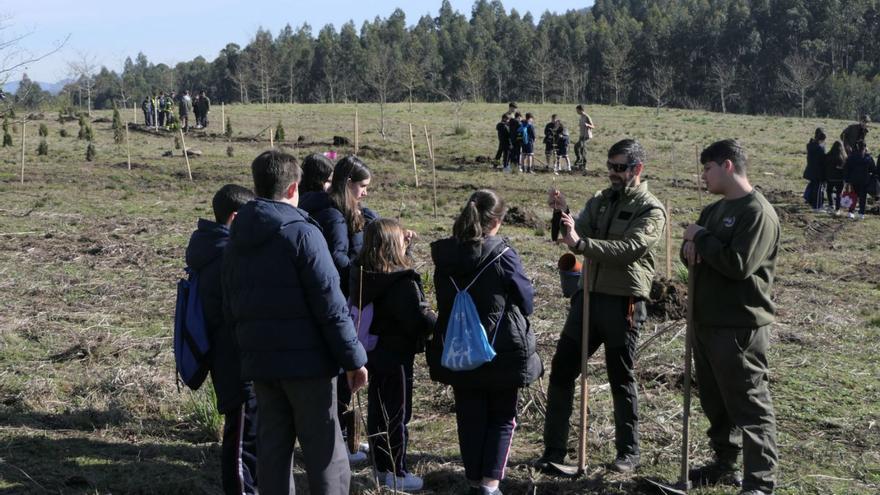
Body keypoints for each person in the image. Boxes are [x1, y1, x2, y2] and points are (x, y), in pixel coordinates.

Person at [222, 150, 368, 495]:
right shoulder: (303, 233)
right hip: (309, 368)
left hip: (261, 365)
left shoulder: (236, 235)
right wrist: (354, 359)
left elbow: (229, 303)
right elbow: (330, 304)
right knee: (326, 455)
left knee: (273, 452)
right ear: (292, 188)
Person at [537, 138, 667, 474]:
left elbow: (629, 248)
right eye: (609, 166)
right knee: (562, 369)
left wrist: (582, 244)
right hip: (587, 297)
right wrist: (563, 212)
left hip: (622, 301)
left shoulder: (651, 210)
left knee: (619, 376)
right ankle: (553, 450)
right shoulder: (601, 199)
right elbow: (577, 231)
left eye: (620, 168)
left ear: (637, 169)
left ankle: (628, 453)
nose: (612, 173)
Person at [681, 139, 780, 495]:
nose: (703, 176)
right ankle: (724, 463)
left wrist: (703, 240)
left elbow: (739, 265)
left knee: (749, 403)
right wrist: (691, 246)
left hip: (739, 325)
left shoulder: (757, 213)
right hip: (706, 321)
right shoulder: (713, 211)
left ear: (726, 166)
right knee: (715, 400)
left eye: (707, 168)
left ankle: (760, 481)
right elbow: (691, 249)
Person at [428, 189, 542, 495]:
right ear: (497, 221)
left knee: (469, 416)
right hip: (500, 349)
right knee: (503, 416)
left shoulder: (445, 255)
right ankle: (491, 485)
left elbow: (442, 298)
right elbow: (526, 300)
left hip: (457, 348)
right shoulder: (504, 255)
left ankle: (474, 480)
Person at [299, 155, 379, 463]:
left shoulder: (345, 211)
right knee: (344, 371)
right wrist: (365, 275)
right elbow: (337, 260)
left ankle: (348, 441)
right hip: (344, 301)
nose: (365, 192)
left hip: (346, 299)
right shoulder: (333, 217)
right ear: (347, 184)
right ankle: (344, 443)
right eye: (362, 186)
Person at [350, 218, 436, 491]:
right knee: (397, 413)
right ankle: (395, 470)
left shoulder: (362, 274)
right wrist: (436, 321)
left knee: (379, 408)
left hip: (372, 352)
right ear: (391, 245)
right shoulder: (401, 283)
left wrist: (405, 251)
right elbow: (416, 320)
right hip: (397, 355)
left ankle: (380, 465)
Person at [185, 184, 258, 495]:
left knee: (248, 435)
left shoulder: (213, 248)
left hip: (233, 359)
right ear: (237, 216)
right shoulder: (225, 257)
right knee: (241, 439)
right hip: (234, 361)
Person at [843, 140, 877, 219]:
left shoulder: (851, 157)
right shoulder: (868, 158)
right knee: (863, 197)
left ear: (857, 147)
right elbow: (873, 169)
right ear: (865, 147)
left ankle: (851, 212)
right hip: (864, 180)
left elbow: (847, 168)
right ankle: (861, 213)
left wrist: (847, 179)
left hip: (853, 180)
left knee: (853, 196)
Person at [803, 128, 826, 212]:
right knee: (819, 189)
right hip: (818, 172)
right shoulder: (820, 148)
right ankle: (817, 206)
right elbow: (822, 160)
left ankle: (808, 199)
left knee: (813, 186)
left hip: (811, 170)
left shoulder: (810, 145)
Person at [824, 141, 846, 214]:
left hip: (830, 178)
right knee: (839, 194)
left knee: (829, 191)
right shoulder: (843, 157)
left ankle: (831, 204)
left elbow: (825, 166)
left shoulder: (828, 156)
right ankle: (837, 209)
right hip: (840, 179)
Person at [574, 104, 595, 172]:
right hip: (582, 135)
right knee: (582, 150)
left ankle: (580, 160)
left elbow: (593, 126)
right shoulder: (581, 117)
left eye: (577, 110)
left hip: (586, 136)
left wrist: (587, 125)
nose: (576, 111)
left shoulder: (587, 117)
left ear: (581, 110)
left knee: (577, 147)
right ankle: (582, 165)